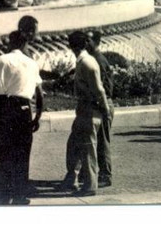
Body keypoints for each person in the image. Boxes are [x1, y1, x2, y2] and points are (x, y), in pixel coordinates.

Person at [0, 26, 44, 205]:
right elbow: (39, 94)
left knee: (2, 152)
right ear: (25, 44)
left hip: (1, 108)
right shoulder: (32, 64)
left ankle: (4, 194)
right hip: (22, 109)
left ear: (10, 43)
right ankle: (20, 195)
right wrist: (37, 117)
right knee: (22, 153)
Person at [60, 30, 110, 196]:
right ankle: (71, 179)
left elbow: (99, 90)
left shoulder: (87, 63)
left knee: (88, 149)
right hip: (83, 109)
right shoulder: (83, 61)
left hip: (89, 110)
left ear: (72, 46)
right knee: (73, 145)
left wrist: (105, 110)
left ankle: (90, 186)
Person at [87, 31, 114, 187]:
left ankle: (106, 175)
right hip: (101, 103)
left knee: (102, 143)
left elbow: (104, 88)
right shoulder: (95, 59)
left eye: (89, 40)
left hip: (103, 104)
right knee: (99, 141)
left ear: (96, 42)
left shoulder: (98, 60)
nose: (86, 43)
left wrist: (102, 105)